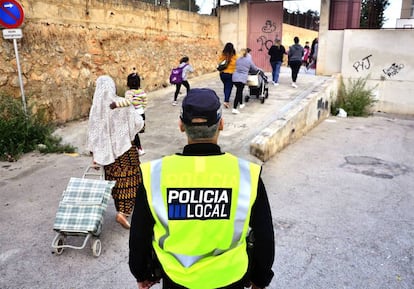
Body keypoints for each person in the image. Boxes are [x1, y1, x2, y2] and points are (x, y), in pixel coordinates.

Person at [129, 88, 275, 289]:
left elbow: (139, 234)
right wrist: (260, 279)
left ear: (181, 125)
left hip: (176, 280)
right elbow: (265, 236)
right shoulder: (246, 174)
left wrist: (142, 273)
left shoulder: (154, 174)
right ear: (221, 124)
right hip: (231, 279)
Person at [87, 75, 144, 230]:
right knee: (132, 180)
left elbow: (94, 134)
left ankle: (121, 210)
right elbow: (138, 123)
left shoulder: (95, 109)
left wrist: (95, 156)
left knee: (115, 183)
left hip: (108, 156)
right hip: (126, 152)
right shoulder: (121, 103)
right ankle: (123, 213)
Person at [110, 68, 147, 156]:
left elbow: (127, 102)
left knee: (133, 132)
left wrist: (116, 104)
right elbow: (145, 102)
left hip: (133, 115)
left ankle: (139, 148)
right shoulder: (142, 92)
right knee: (135, 132)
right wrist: (141, 109)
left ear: (128, 83)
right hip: (141, 113)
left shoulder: (129, 93)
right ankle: (136, 147)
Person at [232, 48, 259, 114]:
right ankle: (234, 108)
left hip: (235, 77)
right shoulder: (249, 60)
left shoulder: (238, 59)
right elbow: (254, 68)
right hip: (242, 78)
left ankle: (241, 104)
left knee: (239, 90)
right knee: (238, 92)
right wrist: (257, 70)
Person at [218, 42, 237, 109]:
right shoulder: (234, 56)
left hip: (222, 74)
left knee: (226, 86)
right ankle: (226, 101)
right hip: (230, 74)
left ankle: (226, 97)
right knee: (228, 87)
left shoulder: (223, 54)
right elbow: (237, 64)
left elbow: (219, 63)